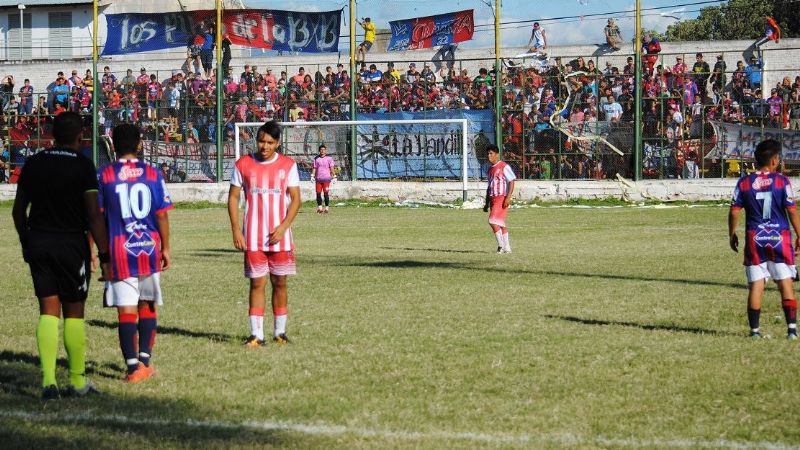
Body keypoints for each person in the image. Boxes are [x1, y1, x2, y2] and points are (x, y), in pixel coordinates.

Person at [12, 111, 111, 399]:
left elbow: (19, 211)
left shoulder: (34, 162)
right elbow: (93, 215)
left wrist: (25, 241)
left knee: (48, 311)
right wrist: (104, 255)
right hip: (71, 245)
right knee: (74, 313)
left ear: (53, 134)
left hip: (40, 243)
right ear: (81, 135)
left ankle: (47, 382)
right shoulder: (83, 165)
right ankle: (78, 382)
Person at [97, 124, 173, 382]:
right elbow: (161, 213)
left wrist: (100, 253)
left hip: (119, 249)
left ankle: (132, 368)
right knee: (148, 304)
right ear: (140, 144)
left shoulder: (106, 174)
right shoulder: (152, 173)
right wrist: (166, 247)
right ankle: (144, 361)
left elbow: (98, 217)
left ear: (114, 146)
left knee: (126, 310)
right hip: (148, 248)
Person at [227, 121, 301, 347]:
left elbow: (296, 200)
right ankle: (256, 335)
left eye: (270, 142)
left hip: (280, 238)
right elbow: (233, 198)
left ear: (277, 143)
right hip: (253, 237)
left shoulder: (288, 165)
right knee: (257, 283)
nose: (264, 146)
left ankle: (280, 332)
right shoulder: (243, 164)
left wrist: (283, 227)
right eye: (261, 141)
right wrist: (236, 230)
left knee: (280, 282)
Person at [729, 139, 799, 339]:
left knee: (757, 284)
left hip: (755, 238)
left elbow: (734, 211)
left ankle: (755, 331)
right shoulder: (782, 181)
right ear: (775, 160)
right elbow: (792, 211)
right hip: (780, 238)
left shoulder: (744, 182)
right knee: (785, 281)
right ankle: (792, 331)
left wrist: (731, 234)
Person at [483, 144, 515, 253]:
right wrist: (486, 203)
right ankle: (507, 248)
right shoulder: (490, 169)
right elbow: (489, 187)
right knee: (500, 223)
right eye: (487, 153)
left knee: (492, 221)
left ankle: (501, 246)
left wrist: (508, 197)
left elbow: (511, 181)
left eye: (491, 153)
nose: (489, 156)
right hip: (493, 199)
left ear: (497, 154)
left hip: (501, 197)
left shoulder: (503, 166)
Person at [311, 144, 336, 214]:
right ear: (319, 151)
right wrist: (312, 175)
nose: (322, 151)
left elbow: (331, 168)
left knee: (326, 194)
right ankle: (320, 208)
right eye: (321, 150)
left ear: (326, 151)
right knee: (318, 194)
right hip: (318, 179)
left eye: (324, 150)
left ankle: (327, 208)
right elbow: (314, 168)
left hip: (326, 179)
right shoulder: (316, 159)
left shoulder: (329, 158)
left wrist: (334, 176)